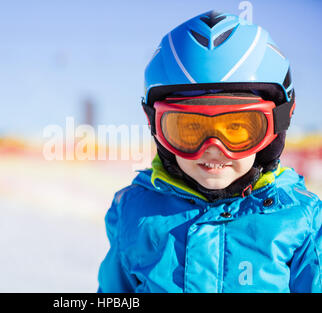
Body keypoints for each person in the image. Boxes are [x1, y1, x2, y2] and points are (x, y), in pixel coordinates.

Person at [98, 11, 322, 293]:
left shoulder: (299, 220)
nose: (214, 149)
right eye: (189, 129)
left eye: (238, 129)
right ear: (157, 128)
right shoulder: (136, 214)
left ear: (275, 127)